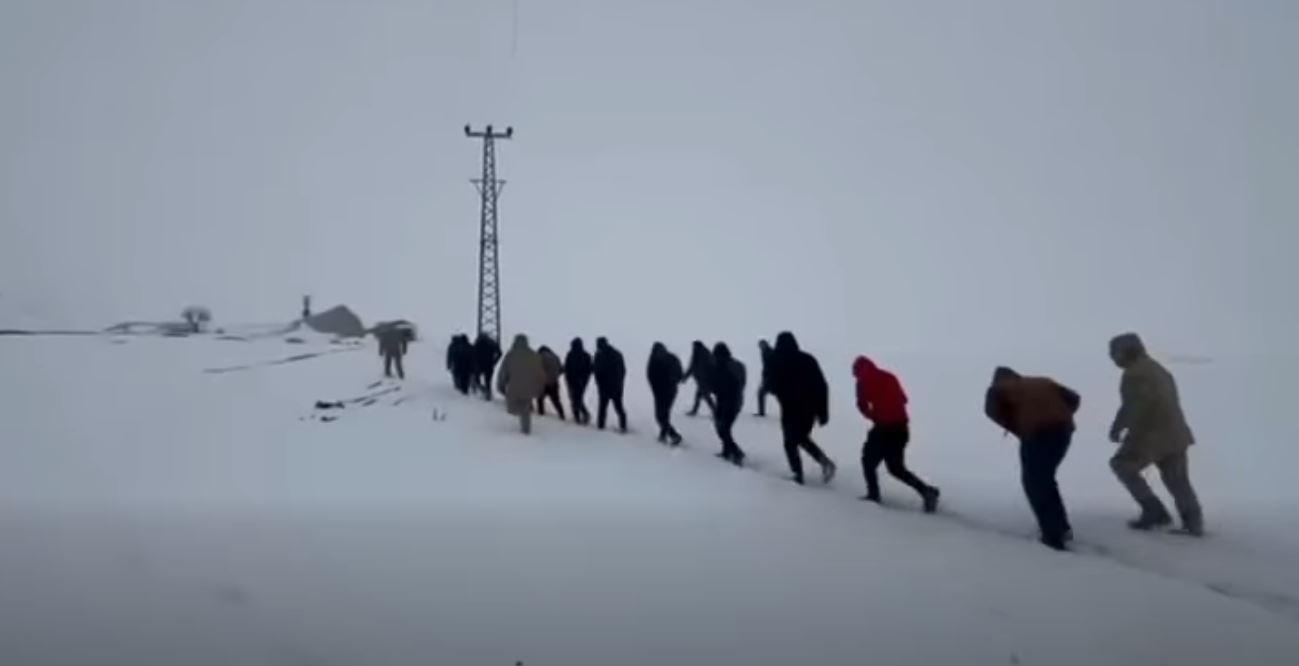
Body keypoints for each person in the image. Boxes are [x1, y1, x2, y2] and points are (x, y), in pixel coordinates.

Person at [1107, 333, 1203, 535]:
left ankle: (1154, 511)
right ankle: (1193, 523)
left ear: (1126, 352)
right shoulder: (1158, 369)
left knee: (1122, 465)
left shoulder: (1135, 374)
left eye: (1114, 353)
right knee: (1178, 480)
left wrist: (1118, 428)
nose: (1112, 358)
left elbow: (1135, 406)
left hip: (1151, 435)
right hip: (1176, 433)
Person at [984, 366, 1081, 551]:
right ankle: (1061, 528)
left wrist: (1017, 427)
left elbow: (991, 412)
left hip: (1037, 434)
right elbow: (1074, 398)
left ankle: (1053, 536)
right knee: (1045, 479)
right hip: (1063, 432)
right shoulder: (1043, 381)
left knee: (1034, 483)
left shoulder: (997, 389)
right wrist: (1062, 416)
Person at [854, 356, 939, 512]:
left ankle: (873, 495)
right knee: (896, 468)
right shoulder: (889, 377)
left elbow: (862, 405)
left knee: (868, 461)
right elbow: (904, 399)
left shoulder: (862, 383)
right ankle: (927, 491)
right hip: (901, 428)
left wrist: (872, 415)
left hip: (883, 429)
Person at [769, 331, 837, 485]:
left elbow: (773, 386)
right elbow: (822, 386)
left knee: (791, 442)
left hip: (790, 409)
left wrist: (775, 389)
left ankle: (798, 474)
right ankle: (824, 464)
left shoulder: (778, 361)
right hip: (808, 409)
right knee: (800, 438)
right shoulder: (808, 359)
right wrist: (823, 412)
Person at [496, 334, 546, 434]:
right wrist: (540, 387)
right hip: (530, 387)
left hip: (514, 387)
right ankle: (526, 428)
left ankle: (523, 425)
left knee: (514, 408)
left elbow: (503, 372)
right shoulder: (534, 355)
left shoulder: (510, 355)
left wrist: (501, 385)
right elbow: (540, 373)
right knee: (525, 407)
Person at [711, 342, 747, 465]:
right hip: (728, 400)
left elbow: (729, 386)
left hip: (731, 401)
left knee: (723, 428)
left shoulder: (725, 366)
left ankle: (736, 453)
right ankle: (727, 451)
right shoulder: (732, 365)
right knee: (722, 428)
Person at [646, 342, 685, 446]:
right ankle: (664, 435)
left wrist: (656, 388)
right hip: (671, 391)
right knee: (664, 414)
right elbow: (680, 374)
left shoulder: (653, 359)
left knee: (660, 416)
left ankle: (673, 435)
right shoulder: (672, 358)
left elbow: (650, 376)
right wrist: (673, 382)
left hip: (661, 392)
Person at [593, 337, 628, 433]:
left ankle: (600, 426)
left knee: (602, 408)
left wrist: (598, 383)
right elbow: (623, 370)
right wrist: (620, 382)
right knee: (619, 407)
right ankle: (623, 426)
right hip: (617, 386)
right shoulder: (617, 354)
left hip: (604, 387)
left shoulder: (599, 355)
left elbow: (597, 371)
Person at [683, 341, 717, 417]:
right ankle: (695, 411)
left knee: (705, 396)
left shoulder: (705, 354)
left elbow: (712, 366)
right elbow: (691, 367)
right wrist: (685, 377)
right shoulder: (696, 355)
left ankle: (715, 411)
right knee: (699, 396)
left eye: (694, 346)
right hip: (701, 380)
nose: (693, 348)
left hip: (706, 380)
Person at [564, 338, 594, 425]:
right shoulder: (586, 355)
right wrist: (585, 379)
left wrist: (568, 378)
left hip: (573, 381)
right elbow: (590, 369)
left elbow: (567, 368)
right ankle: (581, 416)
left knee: (575, 399)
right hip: (582, 382)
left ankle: (579, 417)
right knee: (577, 399)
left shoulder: (570, 354)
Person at [536, 345, 566, 420]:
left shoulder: (539, 357)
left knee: (540, 399)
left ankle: (541, 414)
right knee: (556, 400)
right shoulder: (556, 357)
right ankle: (561, 415)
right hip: (554, 382)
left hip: (543, 382)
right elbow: (561, 370)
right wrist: (555, 376)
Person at [473, 333, 502, 400]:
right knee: (488, 381)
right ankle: (488, 394)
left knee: (477, 379)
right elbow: (500, 353)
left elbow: (473, 354)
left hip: (479, 364)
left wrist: (474, 363)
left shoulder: (477, 343)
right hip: (489, 364)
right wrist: (494, 361)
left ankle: (480, 390)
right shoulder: (491, 343)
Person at [755, 339, 773, 417]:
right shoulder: (765, 352)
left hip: (772, 378)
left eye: (762, 345)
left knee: (761, 393)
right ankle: (761, 412)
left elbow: (770, 366)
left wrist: (766, 375)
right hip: (768, 377)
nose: (760, 347)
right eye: (760, 346)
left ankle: (761, 412)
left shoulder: (769, 352)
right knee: (761, 393)